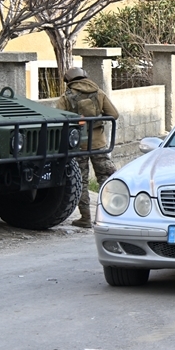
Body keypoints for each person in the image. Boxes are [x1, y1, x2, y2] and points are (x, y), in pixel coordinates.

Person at [56, 66, 119, 228]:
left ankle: (85, 218)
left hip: (79, 145)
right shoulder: (98, 93)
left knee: (81, 181)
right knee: (106, 178)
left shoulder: (67, 97)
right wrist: (98, 119)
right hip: (99, 144)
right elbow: (114, 114)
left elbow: (59, 118)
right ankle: (112, 214)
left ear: (68, 81)